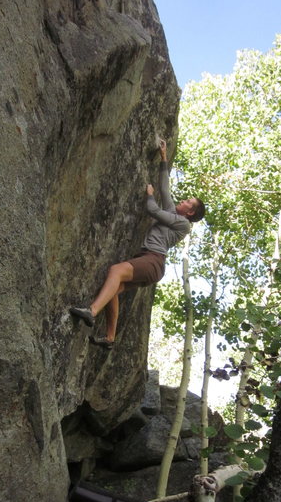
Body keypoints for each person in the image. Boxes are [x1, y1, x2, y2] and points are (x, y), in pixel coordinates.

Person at [70, 139, 205, 349]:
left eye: (189, 202)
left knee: (116, 270)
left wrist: (149, 196)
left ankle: (92, 311)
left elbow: (153, 210)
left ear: (190, 212)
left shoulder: (183, 224)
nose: (184, 201)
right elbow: (165, 187)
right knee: (113, 289)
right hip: (148, 261)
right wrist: (164, 158)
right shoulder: (173, 213)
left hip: (153, 261)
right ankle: (110, 338)